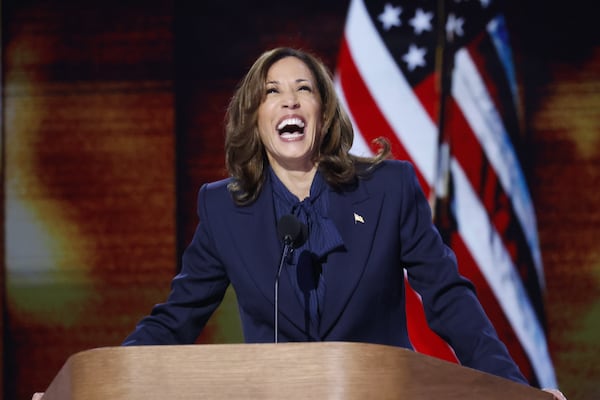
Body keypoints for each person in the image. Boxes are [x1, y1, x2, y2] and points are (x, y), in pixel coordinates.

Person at [33, 47, 566, 400]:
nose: (288, 98)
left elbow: (448, 298)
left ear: (323, 112)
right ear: (256, 118)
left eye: (304, 89)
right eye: (271, 91)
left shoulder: (387, 189)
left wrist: (518, 390)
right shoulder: (223, 209)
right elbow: (175, 319)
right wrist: (88, 387)